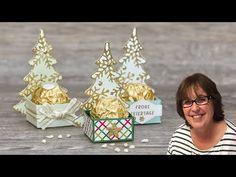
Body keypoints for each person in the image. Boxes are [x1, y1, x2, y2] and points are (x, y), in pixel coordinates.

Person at [167, 73, 236, 155]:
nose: (195, 108)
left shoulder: (233, 140)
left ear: (214, 101)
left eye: (201, 100)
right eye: (187, 102)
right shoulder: (179, 138)